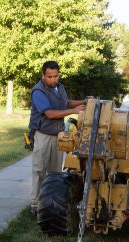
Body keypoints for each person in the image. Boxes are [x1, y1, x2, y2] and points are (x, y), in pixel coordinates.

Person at [28, 60, 86, 216]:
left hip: (58, 135)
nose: (53, 80)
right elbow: (50, 113)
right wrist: (74, 110)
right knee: (39, 171)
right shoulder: (38, 91)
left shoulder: (59, 88)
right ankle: (35, 205)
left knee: (55, 174)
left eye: (56, 76)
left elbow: (65, 102)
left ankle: (50, 204)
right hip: (42, 135)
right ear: (43, 75)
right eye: (50, 77)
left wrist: (84, 102)